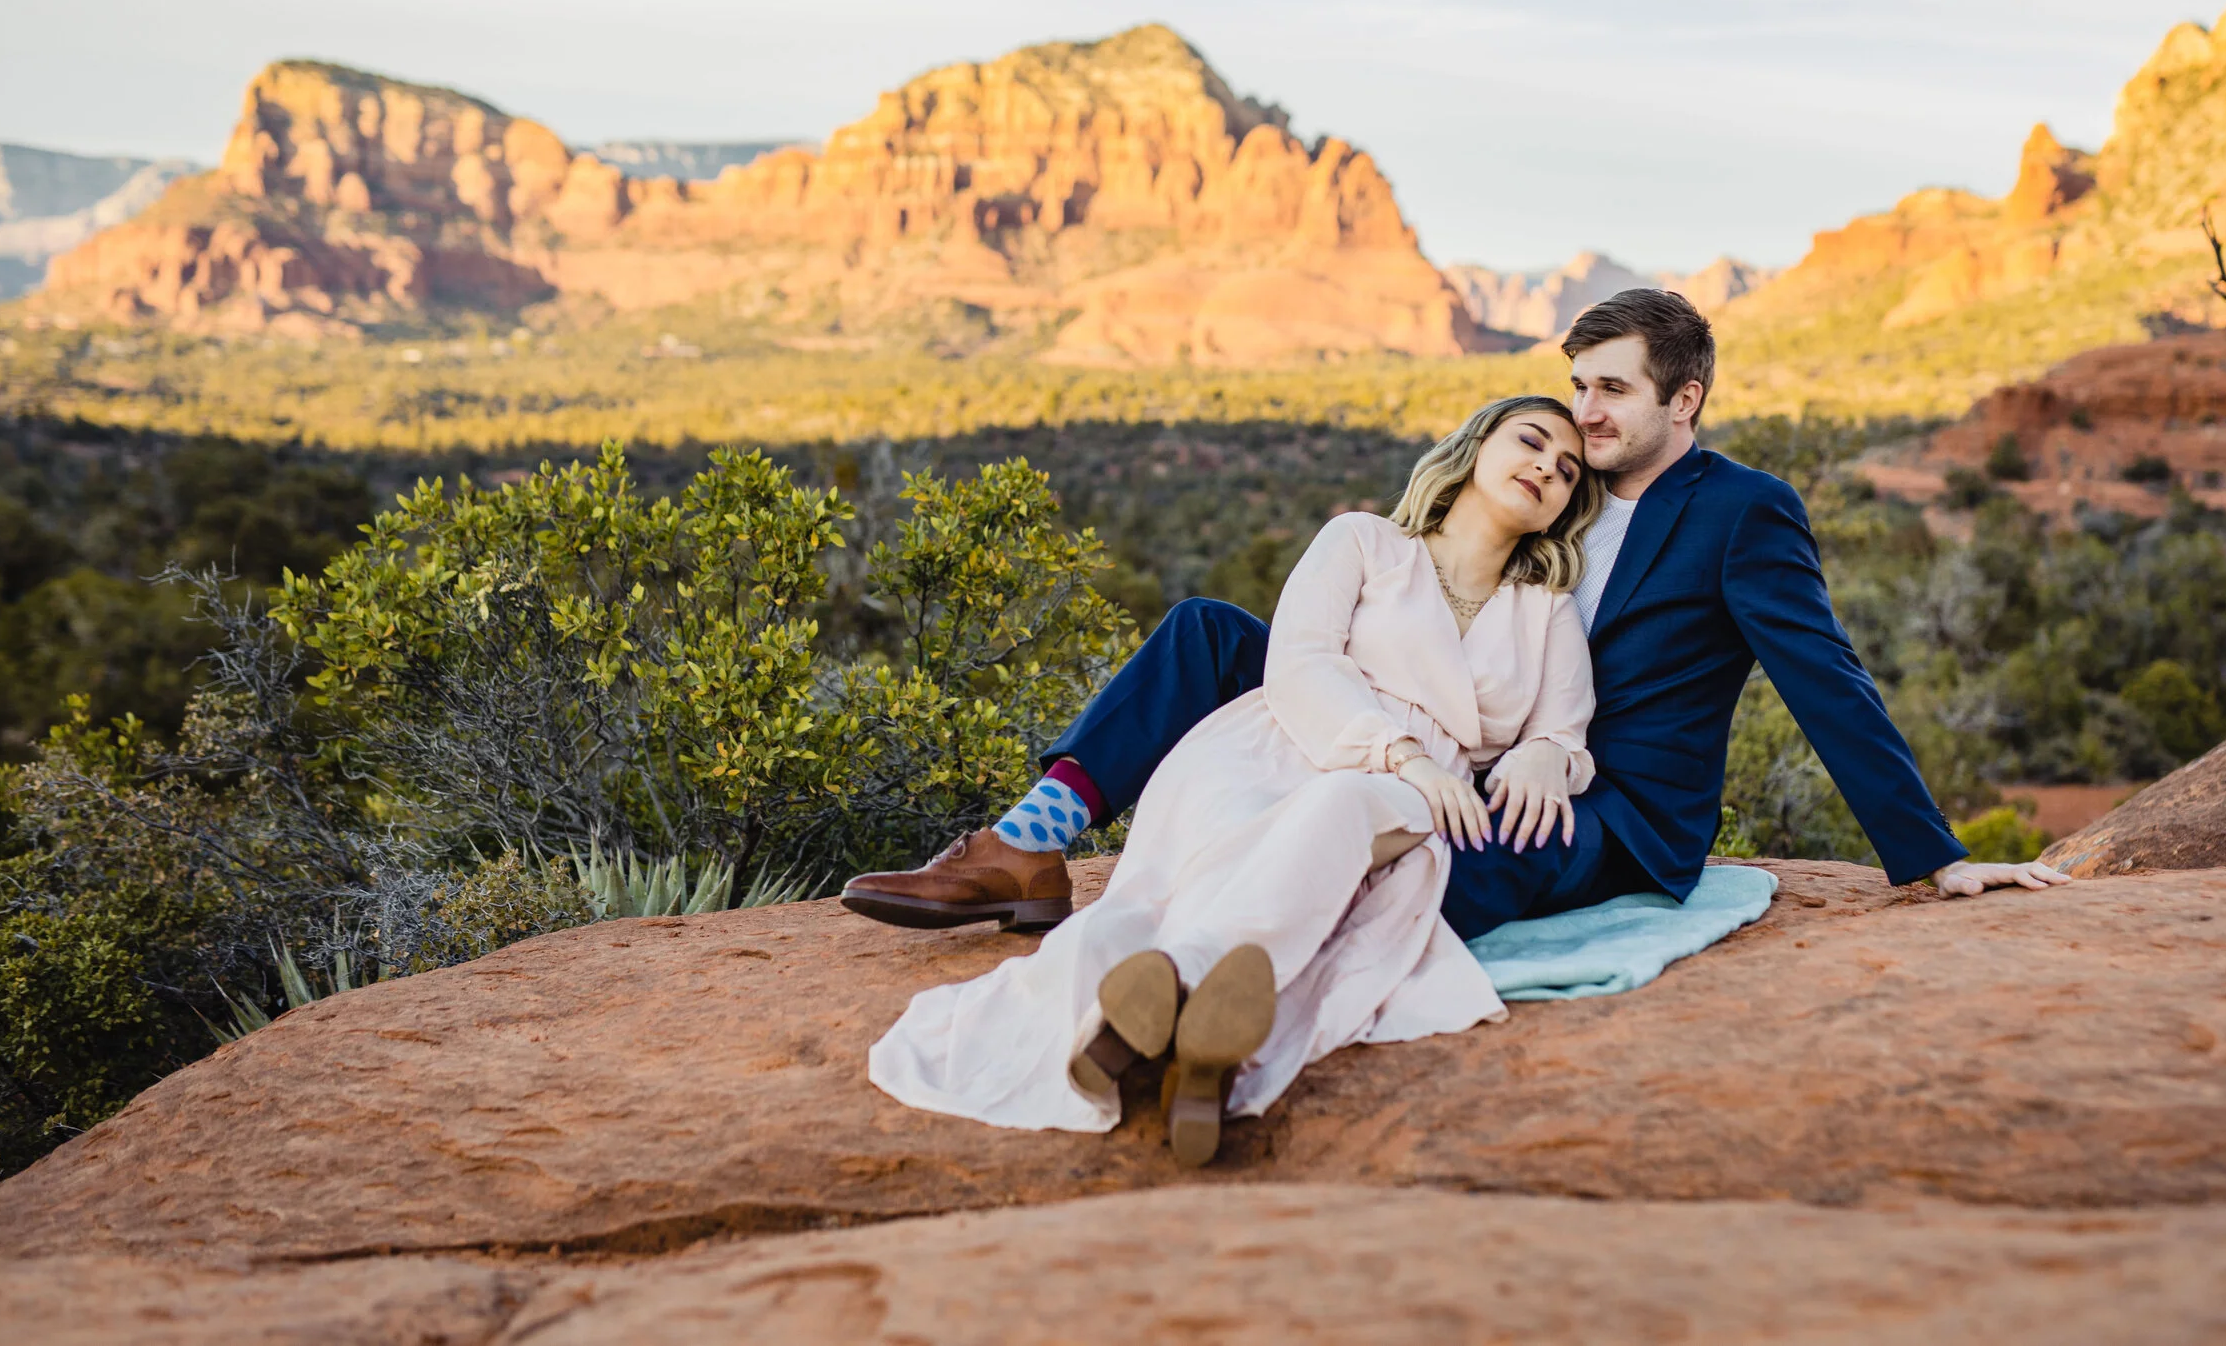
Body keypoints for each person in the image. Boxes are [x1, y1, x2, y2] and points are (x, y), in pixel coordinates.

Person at [845, 287, 2065, 951]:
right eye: (1573, 386)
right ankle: (1026, 843)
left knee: (1418, 871)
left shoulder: (1741, 511)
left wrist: (1933, 856)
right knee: (1210, 634)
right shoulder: (1551, 493)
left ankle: (1226, 973)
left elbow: (1824, 676)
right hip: (1446, 732)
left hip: (1599, 799)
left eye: (1610, 389)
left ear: (1681, 398)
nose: (1582, 410)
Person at [868, 397, 1603, 1166]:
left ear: (1563, 508)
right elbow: (1302, 661)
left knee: (1340, 806)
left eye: (1566, 471)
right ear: (1478, 444)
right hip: (1292, 740)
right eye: (1532, 441)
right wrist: (1399, 751)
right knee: (1195, 874)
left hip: (1409, 796)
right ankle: (1193, 1040)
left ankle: (1149, 1009)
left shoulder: (1544, 612)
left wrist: (1542, 754)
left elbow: (1563, 730)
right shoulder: (1364, 541)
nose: (1547, 468)